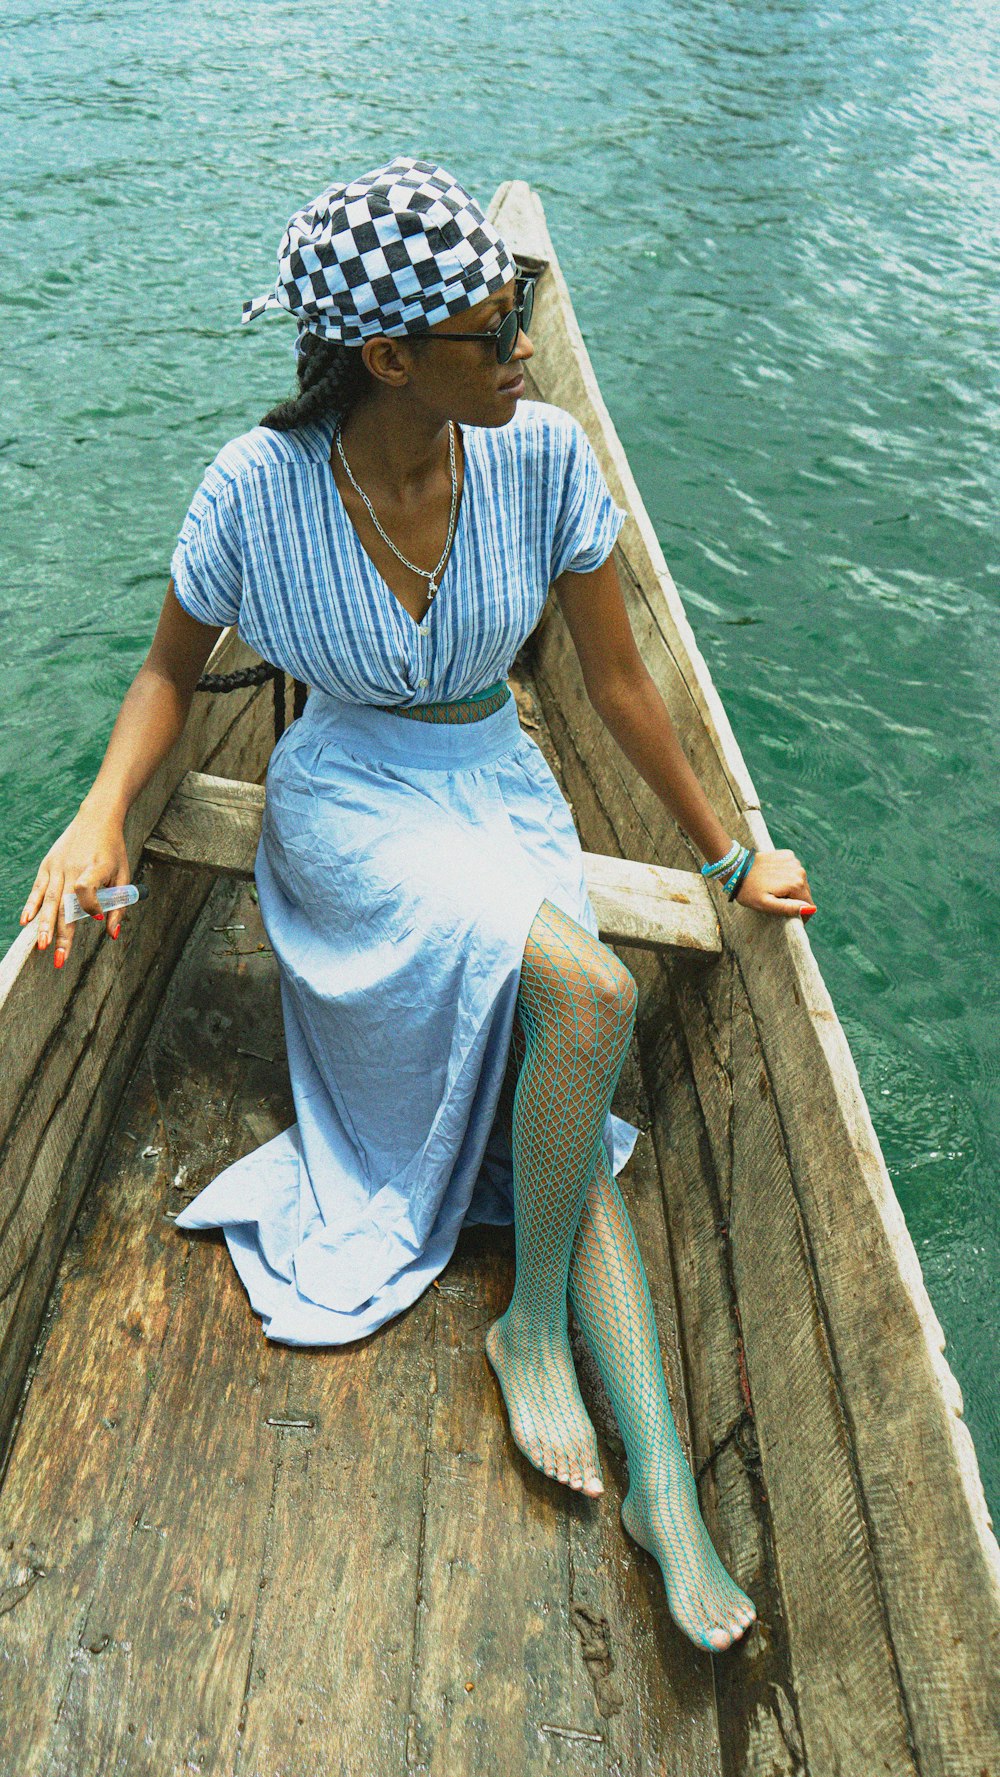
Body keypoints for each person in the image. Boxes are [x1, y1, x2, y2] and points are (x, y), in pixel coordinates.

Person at [19, 156, 816, 1656]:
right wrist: (95, 810)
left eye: (519, 315)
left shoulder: (543, 456)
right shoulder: (254, 489)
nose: (525, 344)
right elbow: (168, 676)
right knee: (586, 996)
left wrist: (727, 857)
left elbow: (619, 686)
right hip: (345, 803)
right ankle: (527, 1328)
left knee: (556, 1059)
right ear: (389, 357)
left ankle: (663, 1485)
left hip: (498, 784)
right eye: (495, 327)